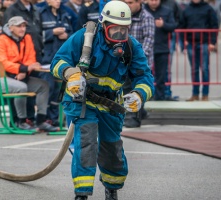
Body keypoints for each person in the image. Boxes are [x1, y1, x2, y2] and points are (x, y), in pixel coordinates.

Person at [50, 1, 154, 199]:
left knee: (112, 149)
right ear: (104, 24)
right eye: (115, 29)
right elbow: (57, 61)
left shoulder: (131, 46)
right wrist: (71, 74)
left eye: (124, 30)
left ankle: (111, 188)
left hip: (110, 105)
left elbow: (145, 77)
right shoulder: (84, 38)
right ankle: (81, 194)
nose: (119, 35)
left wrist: (140, 94)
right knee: (87, 143)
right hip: (82, 101)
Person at [0, 16, 59, 132]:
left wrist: (24, 71)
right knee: (22, 87)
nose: (22, 29)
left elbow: (31, 59)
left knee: (44, 85)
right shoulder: (1, 40)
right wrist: (23, 69)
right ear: (11, 28)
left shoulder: (27, 38)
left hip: (19, 77)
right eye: (19, 26)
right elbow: (2, 62)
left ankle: (41, 121)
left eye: (24, 26)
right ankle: (21, 121)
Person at [38, 0, 73, 126]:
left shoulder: (65, 13)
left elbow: (73, 35)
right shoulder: (40, 13)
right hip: (46, 60)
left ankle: (56, 119)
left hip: (62, 59)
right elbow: (36, 36)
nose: (58, 1)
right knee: (50, 88)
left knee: (61, 91)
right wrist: (51, 33)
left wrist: (67, 35)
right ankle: (47, 118)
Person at [123, 0, 155, 128]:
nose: (128, 5)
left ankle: (135, 118)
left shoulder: (147, 17)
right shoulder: (125, 16)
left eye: (130, 2)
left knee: (138, 87)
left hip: (141, 61)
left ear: (139, 3)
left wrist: (138, 56)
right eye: (126, 2)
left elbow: (149, 39)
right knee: (126, 88)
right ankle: (137, 112)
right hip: (125, 60)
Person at [179, 0, 219, 101]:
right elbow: (181, 26)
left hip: (204, 43)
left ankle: (205, 94)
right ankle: (195, 94)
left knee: (205, 69)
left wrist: (212, 42)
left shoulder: (209, 9)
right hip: (190, 43)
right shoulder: (186, 9)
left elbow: (214, 25)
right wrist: (184, 41)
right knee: (194, 69)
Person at [145, 0, 176, 101]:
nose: (153, 2)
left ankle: (160, 96)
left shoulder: (167, 11)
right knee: (145, 74)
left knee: (161, 76)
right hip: (146, 49)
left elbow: (173, 26)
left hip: (162, 48)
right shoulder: (143, 11)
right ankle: (147, 95)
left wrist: (163, 24)